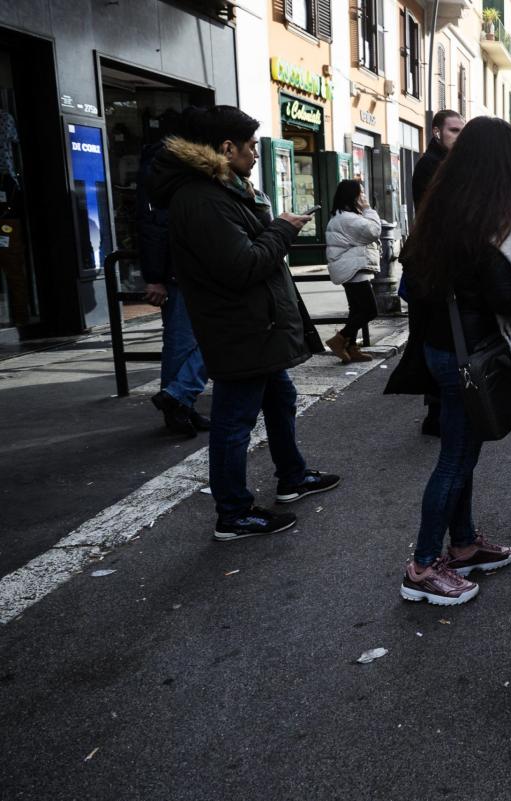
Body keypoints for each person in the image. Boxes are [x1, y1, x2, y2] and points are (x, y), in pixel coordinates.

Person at [149, 106, 340, 541]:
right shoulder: (202, 198)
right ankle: (233, 513)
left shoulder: (222, 190)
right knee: (234, 421)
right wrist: (283, 229)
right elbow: (242, 266)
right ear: (227, 147)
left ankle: (292, 476)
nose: (256, 153)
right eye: (252, 145)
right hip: (239, 328)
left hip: (256, 325)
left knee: (280, 397)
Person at [398, 116, 511, 606]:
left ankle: (462, 544)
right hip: (465, 353)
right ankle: (421, 567)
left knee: (463, 453)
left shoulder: (445, 205)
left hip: (444, 346)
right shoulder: (489, 219)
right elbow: (504, 297)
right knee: (456, 459)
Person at [137, 110, 209, 437]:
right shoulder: (165, 164)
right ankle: (177, 405)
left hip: (193, 266)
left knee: (190, 341)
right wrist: (155, 276)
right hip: (179, 270)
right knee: (183, 342)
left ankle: (180, 402)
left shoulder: (177, 164)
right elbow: (154, 224)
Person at [409, 109, 464, 437]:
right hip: (433, 264)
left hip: (434, 262)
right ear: (436, 132)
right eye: (454, 130)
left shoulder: (443, 164)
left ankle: (438, 410)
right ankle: (437, 412)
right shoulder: (432, 166)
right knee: (439, 333)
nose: (459, 136)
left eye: (461, 130)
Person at [324, 179, 381, 364]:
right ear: (352, 196)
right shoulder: (348, 219)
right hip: (354, 268)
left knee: (356, 310)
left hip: (351, 267)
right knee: (370, 310)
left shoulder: (342, 216)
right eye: (361, 193)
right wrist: (368, 209)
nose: (363, 196)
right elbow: (373, 231)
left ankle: (351, 347)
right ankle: (339, 339)